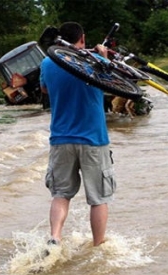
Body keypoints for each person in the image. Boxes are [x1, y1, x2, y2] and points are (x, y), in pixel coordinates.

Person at [40, 22, 115, 247]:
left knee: (61, 194)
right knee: (98, 199)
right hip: (94, 139)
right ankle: (98, 245)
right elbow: (112, 81)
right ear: (82, 39)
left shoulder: (48, 61)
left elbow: (44, 89)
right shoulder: (95, 62)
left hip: (61, 139)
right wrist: (103, 57)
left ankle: (55, 237)